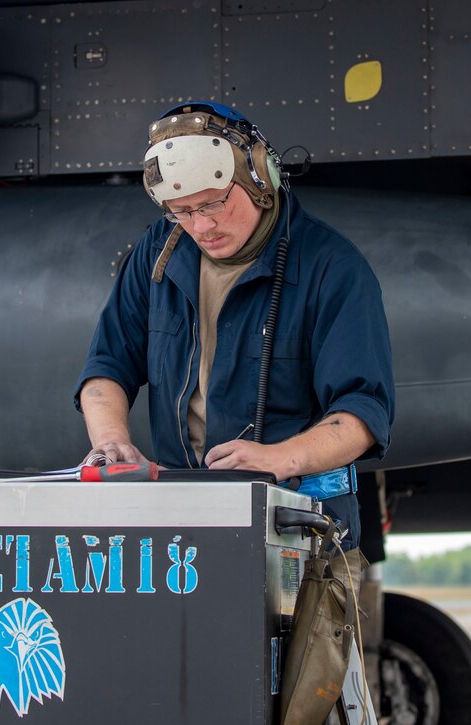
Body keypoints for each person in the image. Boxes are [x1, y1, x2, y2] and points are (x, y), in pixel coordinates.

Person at [74, 101, 394, 551]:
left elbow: (364, 412)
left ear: (260, 178)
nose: (201, 226)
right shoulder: (159, 252)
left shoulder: (332, 268)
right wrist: (111, 443)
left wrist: (281, 459)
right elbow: (108, 364)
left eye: (214, 203)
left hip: (298, 530)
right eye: (180, 211)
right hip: (184, 529)